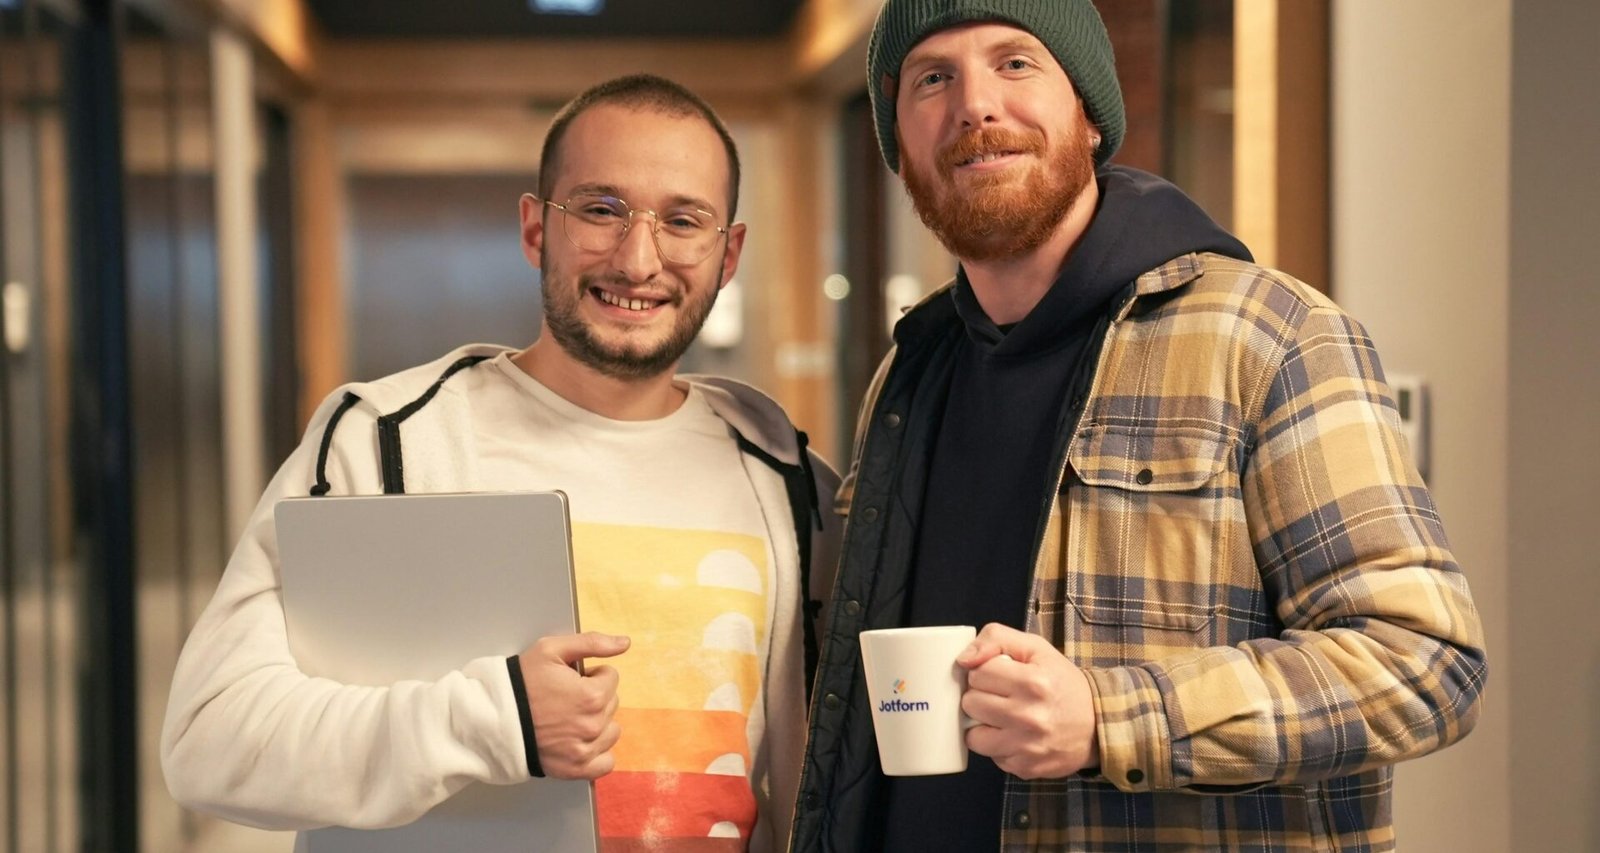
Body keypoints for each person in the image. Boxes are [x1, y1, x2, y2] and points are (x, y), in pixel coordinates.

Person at [790, 2, 1487, 851]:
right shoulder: (910, 370)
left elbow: (1421, 665)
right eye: (933, 78)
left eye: (1016, 63)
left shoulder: (1268, 336)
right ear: (899, 147)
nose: (974, 104)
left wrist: (1108, 718)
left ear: (1090, 117)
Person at [162, 73, 841, 853]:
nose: (638, 257)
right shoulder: (388, 442)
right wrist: (497, 719)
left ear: (727, 255)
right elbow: (210, 742)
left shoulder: (786, 478)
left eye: (684, 220)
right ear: (534, 230)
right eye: (600, 209)